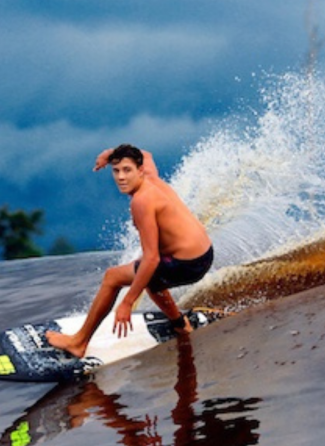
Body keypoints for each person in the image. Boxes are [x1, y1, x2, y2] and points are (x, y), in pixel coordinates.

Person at [46, 145, 214, 358]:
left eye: (127, 170)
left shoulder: (142, 201)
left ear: (140, 170)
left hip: (187, 265)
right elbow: (147, 154)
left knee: (114, 277)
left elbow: (152, 258)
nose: (121, 177)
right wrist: (109, 154)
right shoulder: (151, 177)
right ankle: (180, 324)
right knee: (147, 274)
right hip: (204, 253)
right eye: (116, 171)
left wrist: (127, 302)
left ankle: (78, 343)